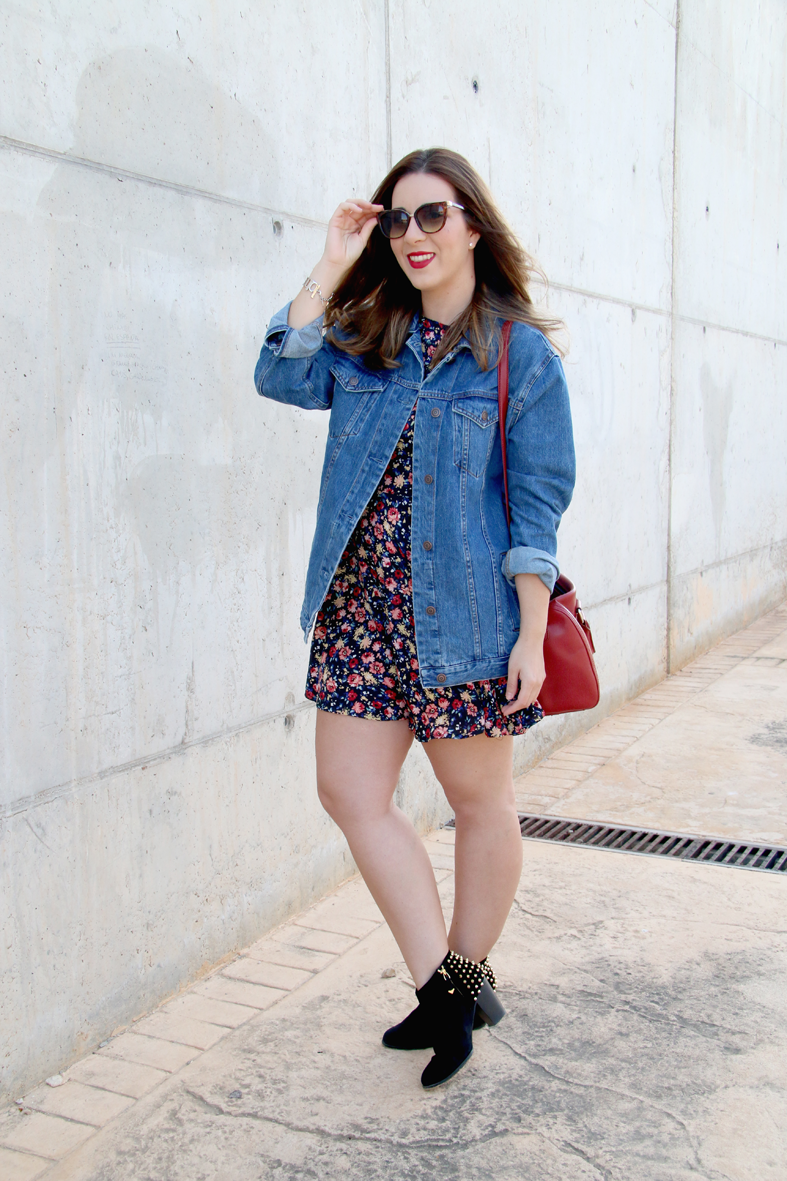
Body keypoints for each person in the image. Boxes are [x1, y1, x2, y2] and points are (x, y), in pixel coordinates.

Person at [255, 147, 575, 1089]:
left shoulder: (519, 355)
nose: (411, 235)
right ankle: (445, 989)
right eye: (397, 219)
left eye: (432, 215)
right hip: (361, 613)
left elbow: (536, 507)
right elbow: (279, 372)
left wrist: (528, 634)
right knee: (350, 793)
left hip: (466, 621)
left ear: (472, 224)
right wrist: (332, 262)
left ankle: (462, 982)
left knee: (480, 805)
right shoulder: (369, 335)